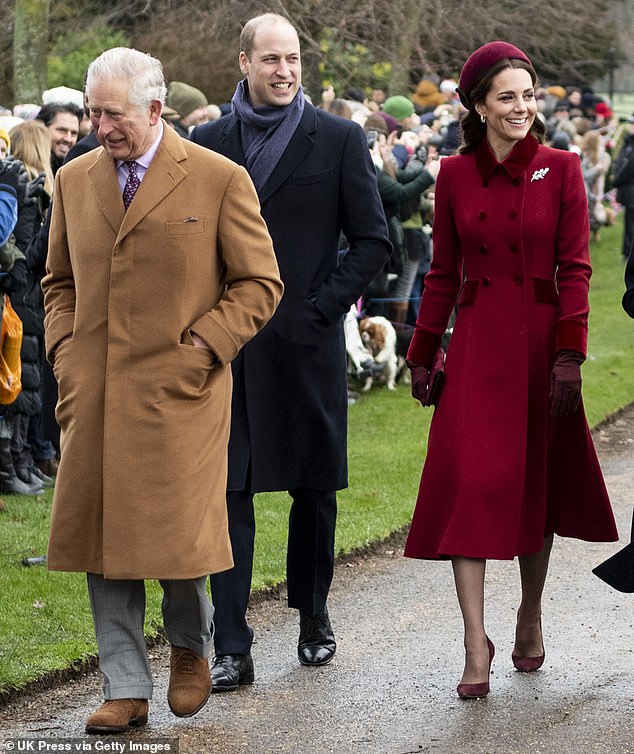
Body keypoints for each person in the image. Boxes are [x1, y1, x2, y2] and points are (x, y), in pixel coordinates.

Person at [42, 46, 283, 733]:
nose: (98, 127)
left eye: (111, 114)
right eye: (92, 112)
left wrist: (204, 347)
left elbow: (259, 283)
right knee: (102, 540)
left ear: (154, 109)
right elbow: (57, 283)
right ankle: (124, 682)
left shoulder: (216, 177)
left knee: (177, 537)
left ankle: (189, 646)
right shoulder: (74, 179)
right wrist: (65, 352)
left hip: (182, 395)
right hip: (93, 394)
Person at [403, 41, 618, 700]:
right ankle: (475, 645)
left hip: (538, 350)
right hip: (475, 351)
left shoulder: (563, 168)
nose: (523, 106)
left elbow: (575, 269)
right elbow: (441, 273)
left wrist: (568, 355)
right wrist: (421, 353)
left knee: (534, 489)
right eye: (508, 96)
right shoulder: (455, 176)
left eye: (529, 94)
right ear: (479, 105)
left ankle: (528, 614)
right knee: (469, 484)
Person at [191, 13, 390, 690]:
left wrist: (319, 309)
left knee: (314, 488)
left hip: (307, 347)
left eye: (294, 59)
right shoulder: (208, 142)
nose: (284, 71)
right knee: (227, 492)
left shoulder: (336, 138)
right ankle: (234, 644)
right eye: (271, 59)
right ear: (243, 61)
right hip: (233, 352)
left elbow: (373, 241)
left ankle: (313, 617)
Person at [612, 115, 634, 261]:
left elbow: (629, 167)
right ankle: (627, 252)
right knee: (629, 223)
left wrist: (616, 180)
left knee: (631, 225)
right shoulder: (629, 142)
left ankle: (629, 254)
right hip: (628, 190)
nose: (630, 127)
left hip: (631, 189)